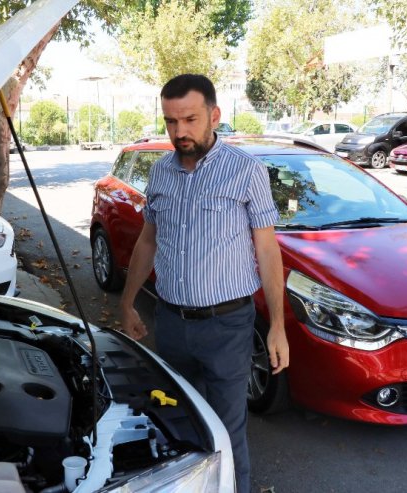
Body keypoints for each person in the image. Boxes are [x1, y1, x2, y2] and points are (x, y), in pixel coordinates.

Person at [120, 74, 289, 492]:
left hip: (227, 327)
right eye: (171, 122)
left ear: (214, 115)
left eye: (190, 119)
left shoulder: (245, 171)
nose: (180, 131)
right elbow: (147, 241)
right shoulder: (160, 173)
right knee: (177, 419)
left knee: (228, 431)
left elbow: (268, 251)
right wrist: (126, 303)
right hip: (172, 323)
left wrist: (279, 327)